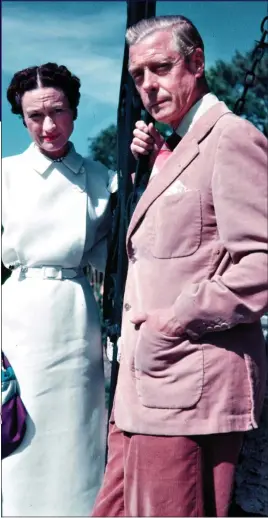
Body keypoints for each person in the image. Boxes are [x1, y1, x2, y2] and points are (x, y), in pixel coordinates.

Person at [92, 15, 268, 517]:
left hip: (188, 382)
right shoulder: (174, 148)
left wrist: (176, 320)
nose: (148, 85)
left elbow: (261, 262)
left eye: (161, 67)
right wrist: (155, 167)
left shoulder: (231, 137)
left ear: (196, 63)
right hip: (142, 386)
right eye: (138, 76)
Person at [2, 62, 118, 517]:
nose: (48, 126)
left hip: (74, 317)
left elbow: (115, 252)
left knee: (74, 434)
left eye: (58, 111)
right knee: (18, 433)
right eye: (35, 116)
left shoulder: (99, 177)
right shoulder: (4, 175)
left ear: (73, 109)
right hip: (16, 314)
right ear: (22, 118)